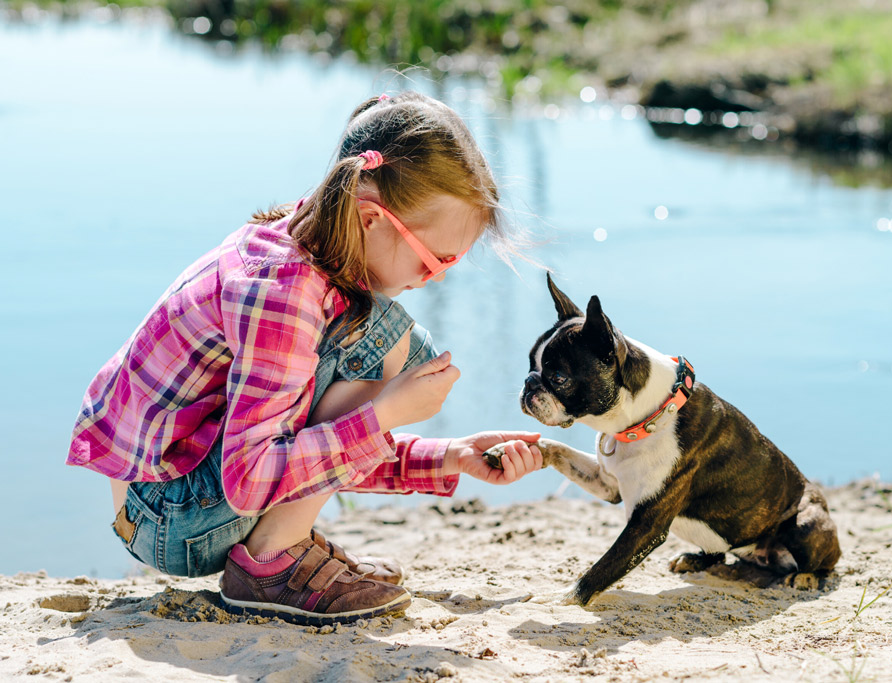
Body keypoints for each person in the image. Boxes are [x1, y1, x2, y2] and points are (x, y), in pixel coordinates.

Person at [67, 91, 543, 626]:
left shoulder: (312, 248)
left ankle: (281, 546)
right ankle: (272, 562)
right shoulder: (284, 293)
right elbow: (250, 477)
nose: (437, 277)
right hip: (168, 516)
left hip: (176, 496)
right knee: (392, 346)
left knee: (389, 343)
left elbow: (302, 435)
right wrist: (384, 413)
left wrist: (448, 456)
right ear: (370, 219)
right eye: (436, 261)